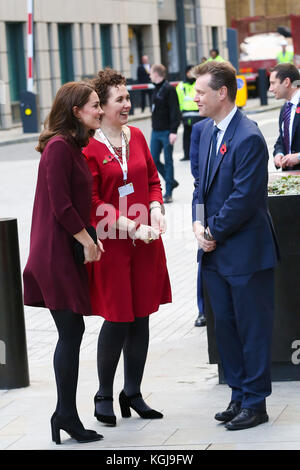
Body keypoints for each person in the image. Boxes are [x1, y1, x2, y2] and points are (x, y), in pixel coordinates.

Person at [192, 61, 279, 430]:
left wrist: (211, 233)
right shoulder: (209, 132)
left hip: (245, 253)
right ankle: (239, 394)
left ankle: (256, 403)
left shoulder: (248, 136)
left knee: (251, 328)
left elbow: (244, 199)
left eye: (200, 92)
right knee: (225, 326)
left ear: (222, 93)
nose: (195, 97)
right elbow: (200, 185)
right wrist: (197, 222)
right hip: (215, 252)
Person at [83, 68, 172, 427]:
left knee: (142, 317)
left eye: (127, 97)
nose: (127, 104)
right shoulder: (88, 146)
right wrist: (131, 225)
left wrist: (154, 208)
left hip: (145, 242)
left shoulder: (136, 135)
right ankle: (104, 394)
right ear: (101, 107)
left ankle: (132, 392)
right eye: (119, 99)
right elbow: (90, 201)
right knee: (117, 319)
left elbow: (152, 178)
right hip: (113, 245)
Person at [23, 81, 105, 444]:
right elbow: (61, 205)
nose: (100, 110)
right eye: (95, 105)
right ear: (75, 111)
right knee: (71, 332)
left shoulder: (72, 145)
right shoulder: (58, 147)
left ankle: (65, 414)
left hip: (64, 248)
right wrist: (88, 240)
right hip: (55, 252)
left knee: (72, 332)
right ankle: (65, 415)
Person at [149, 63, 181, 203]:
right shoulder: (155, 89)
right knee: (153, 160)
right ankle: (171, 180)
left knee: (168, 161)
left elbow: (175, 111)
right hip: (155, 131)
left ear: (156, 74)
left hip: (167, 131)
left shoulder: (169, 89)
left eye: (151, 73)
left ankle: (168, 192)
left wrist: (173, 131)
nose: (149, 75)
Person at [189, 119, 209, 327]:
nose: (197, 99)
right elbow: (196, 174)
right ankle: (203, 309)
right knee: (203, 252)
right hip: (204, 200)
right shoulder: (199, 129)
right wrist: (198, 218)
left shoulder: (248, 126)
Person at [269, 63, 300, 171]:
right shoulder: (285, 108)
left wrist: (298, 157)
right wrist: (279, 153)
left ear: (286, 82)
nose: (270, 89)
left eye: (273, 83)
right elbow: (282, 139)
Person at [176, 65, 205, 161]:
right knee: (187, 136)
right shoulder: (180, 86)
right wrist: (179, 114)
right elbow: (178, 100)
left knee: (199, 136)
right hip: (186, 114)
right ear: (186, 73)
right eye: (189, 72)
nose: (190, 74)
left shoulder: (199, 84)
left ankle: (201, 155)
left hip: (198, 114)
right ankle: (187, 155)